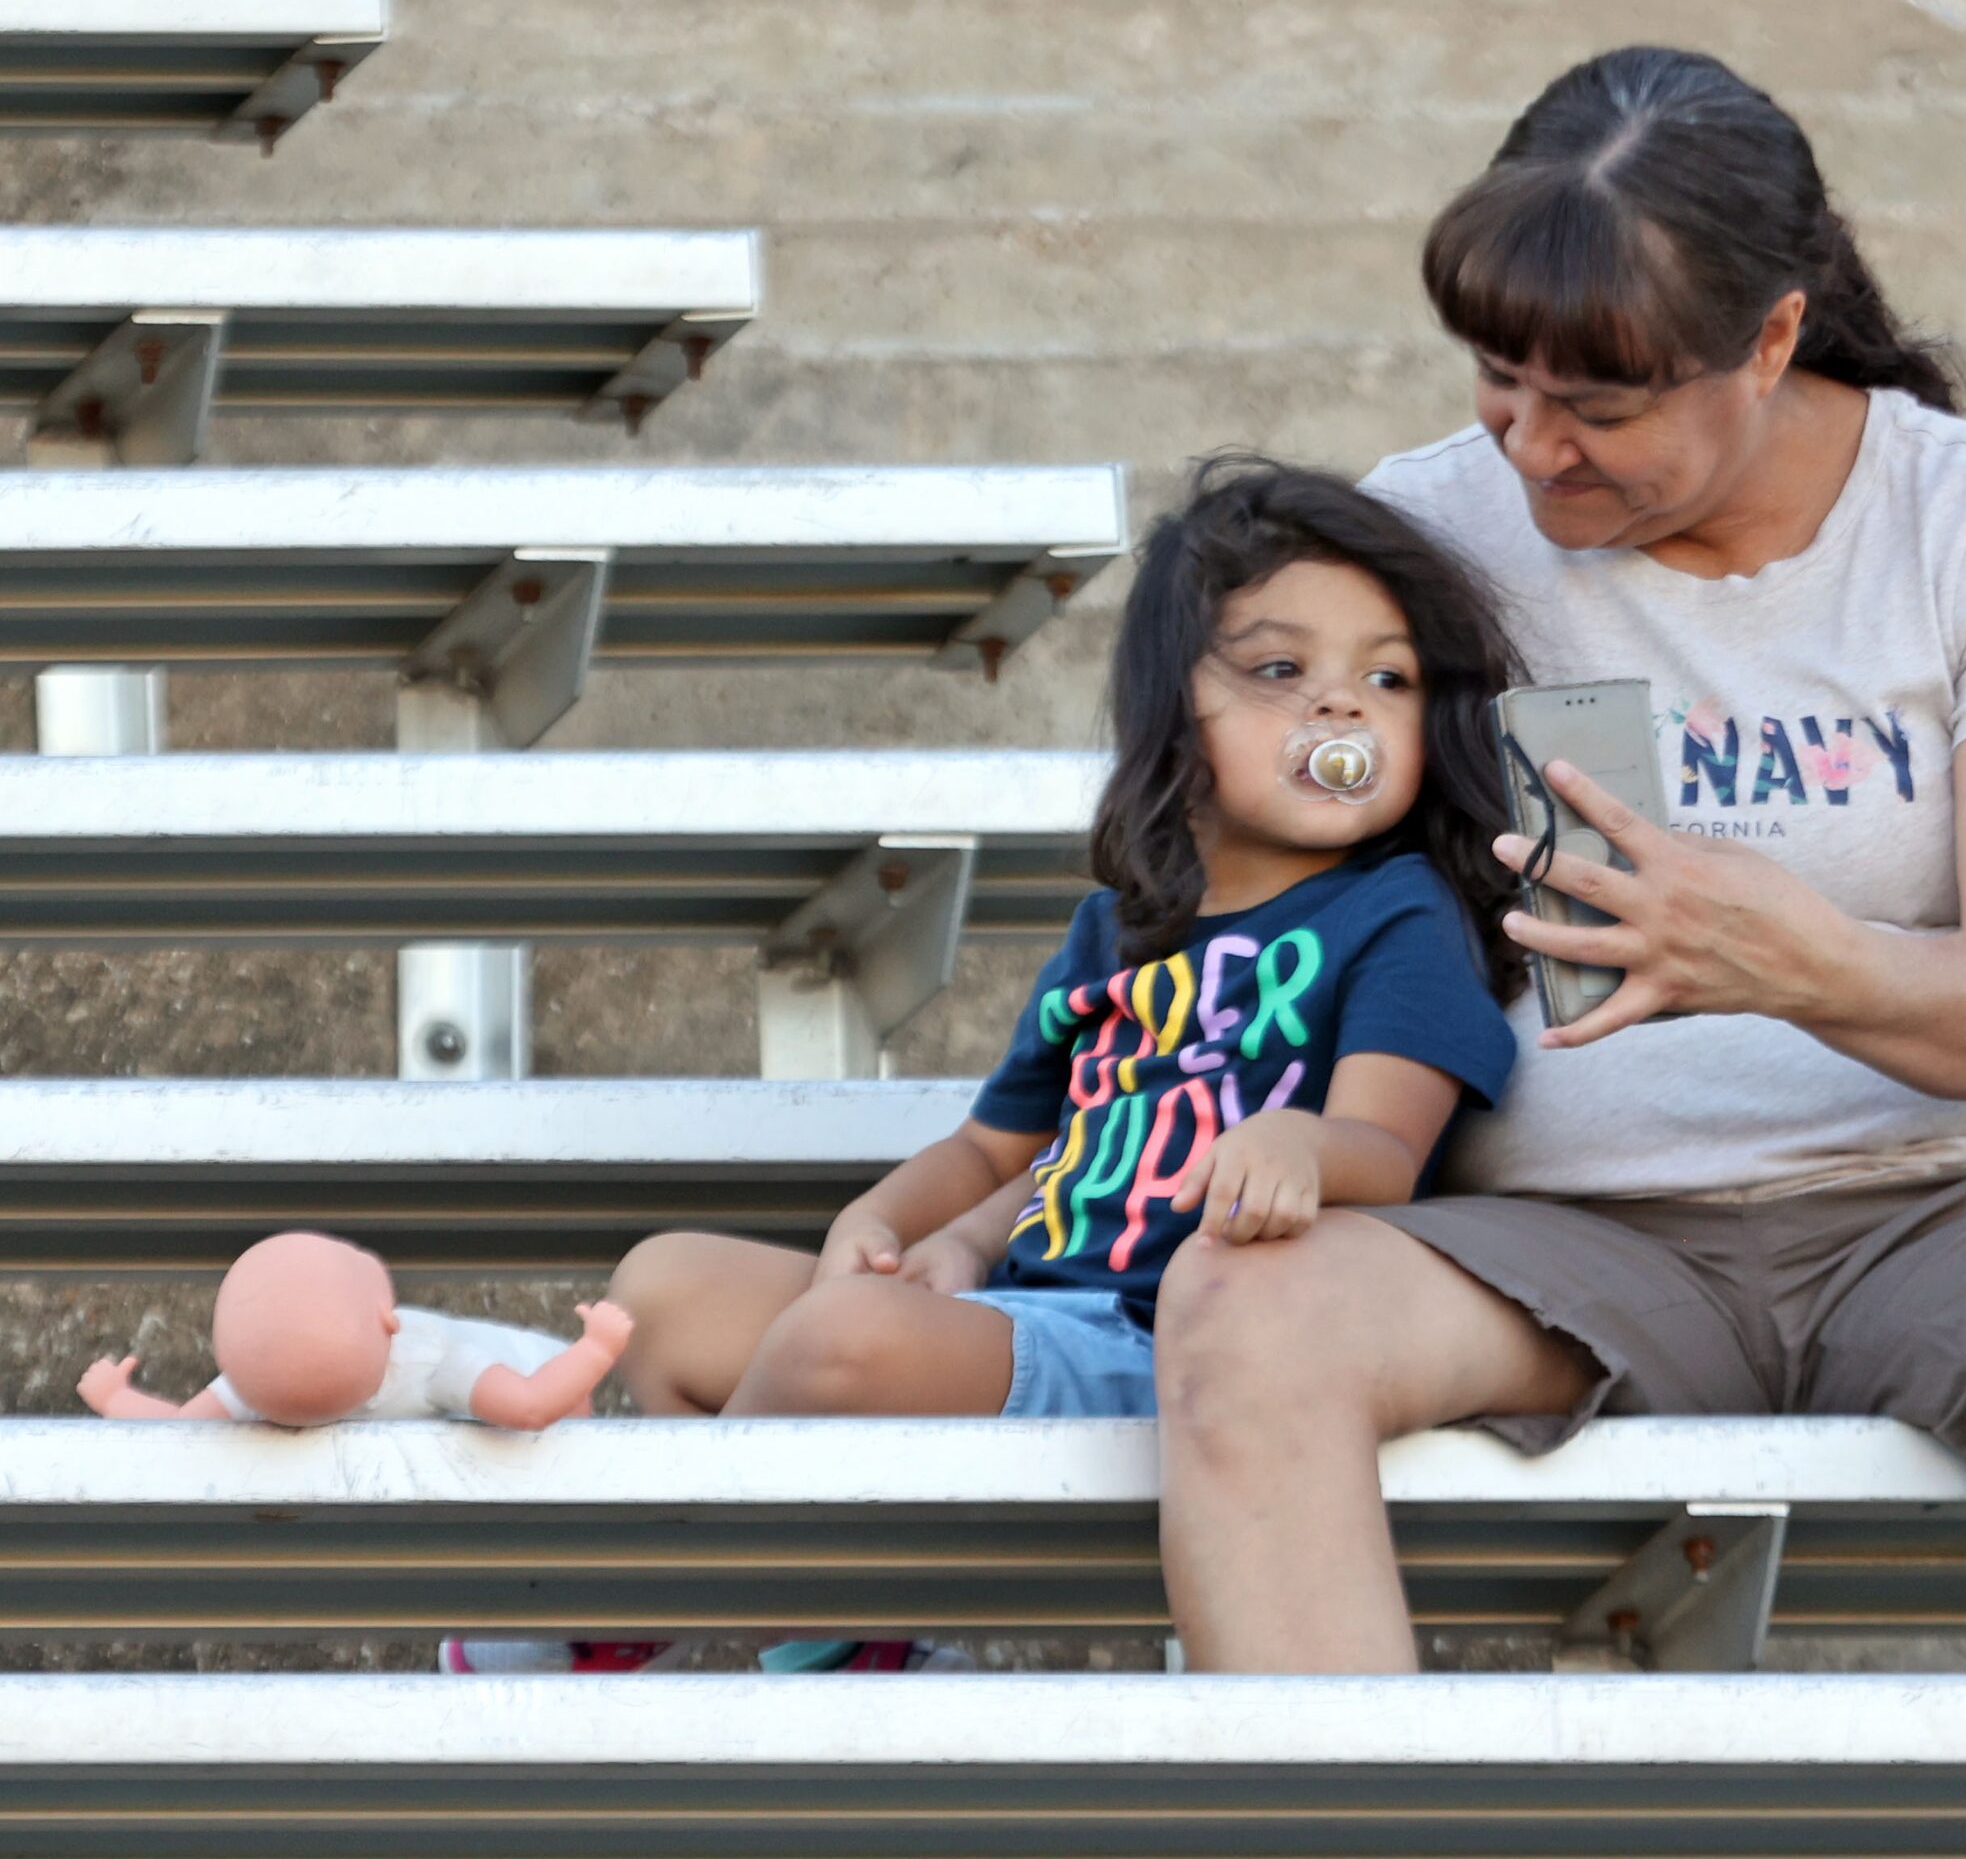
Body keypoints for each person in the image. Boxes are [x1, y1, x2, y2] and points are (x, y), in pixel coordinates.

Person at [1153, 47, 1966, 1676]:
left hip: (1964, 1207)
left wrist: (1791, 958)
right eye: (1497, 380)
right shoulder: (1413, 536)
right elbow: (1272, 884)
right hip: (1567, 1236)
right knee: (1243, 1311)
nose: (1531, 449)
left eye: (1600, 406)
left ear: (1771, 342)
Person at [449, 454, 1526, 1674]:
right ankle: (845, 1647)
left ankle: (618, 1605)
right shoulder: (1119, 927)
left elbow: (1387, 1148)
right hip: (1014, 1313)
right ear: (1176, 708)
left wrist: (1303, 1147)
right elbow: (997, 1149)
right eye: (1282, 671)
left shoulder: (1398, 916)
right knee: (665, 1291)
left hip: (1172, 1351)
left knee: (833, 1346)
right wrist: (900, 1223)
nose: (1342, 710)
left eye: (1386, 679)